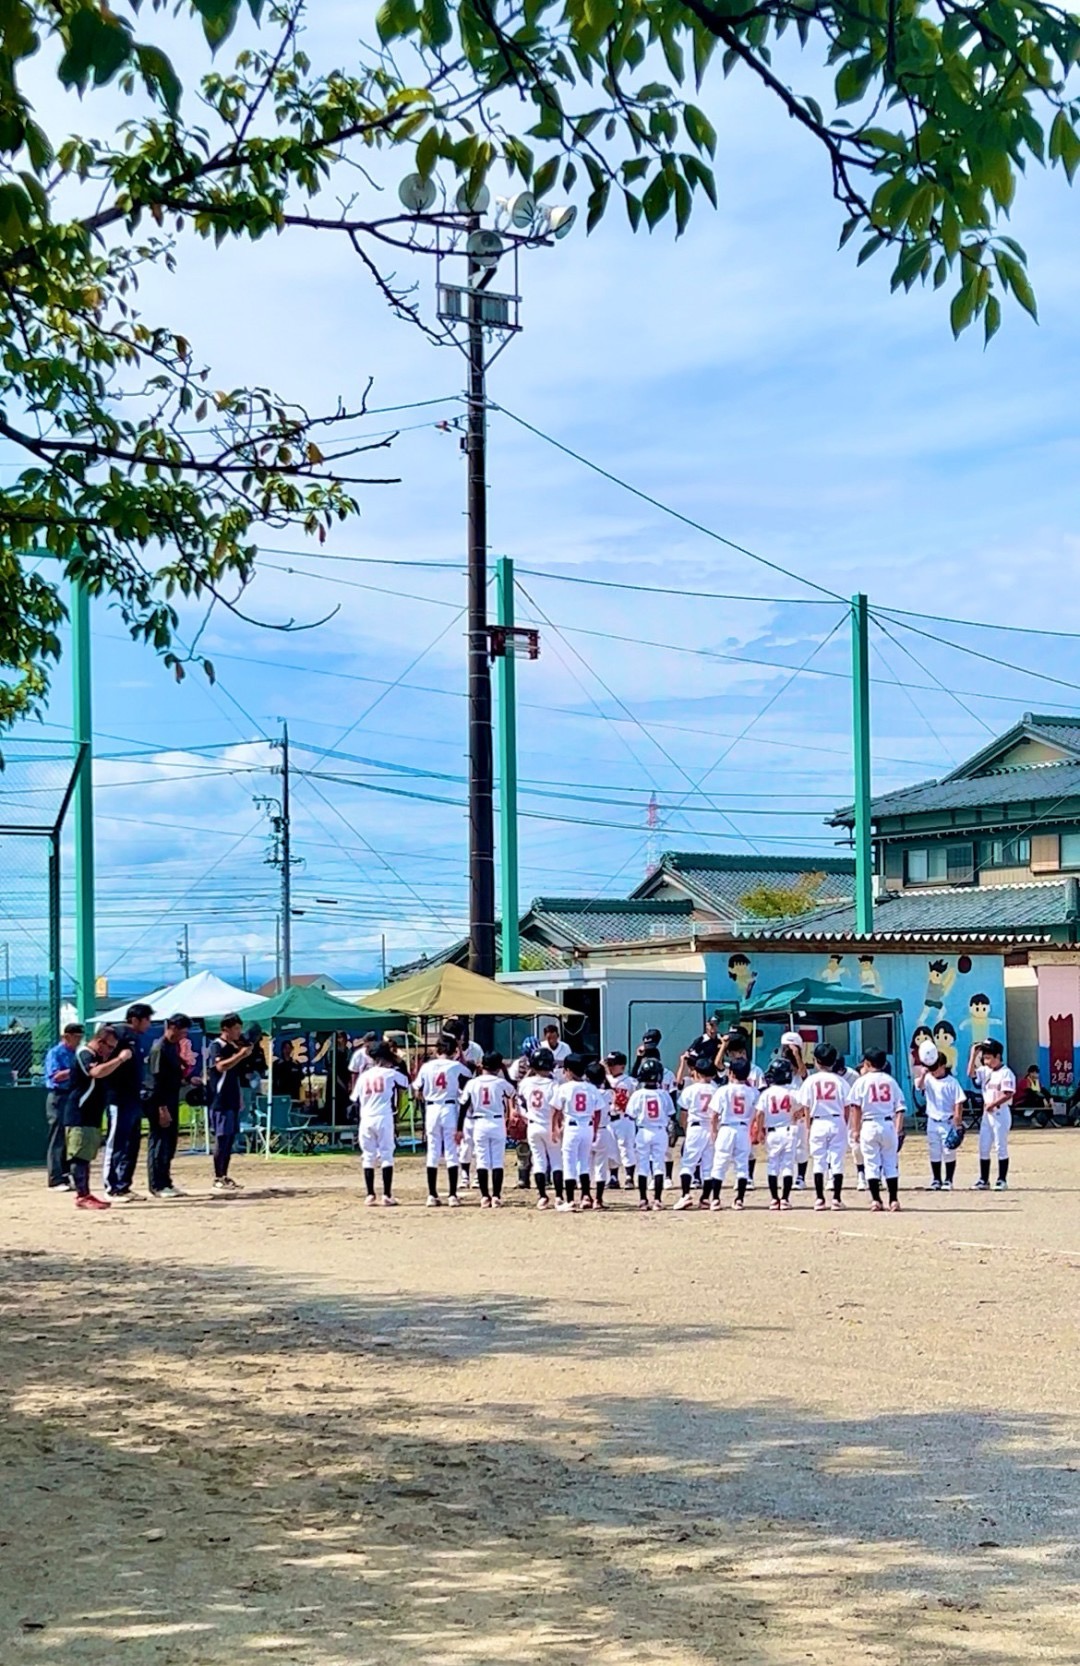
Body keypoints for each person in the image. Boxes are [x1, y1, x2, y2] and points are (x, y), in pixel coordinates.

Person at [65, 1026, 130, 1210]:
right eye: (109, 1047)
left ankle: (85, 1193)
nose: (110, 1052)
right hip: (80, 1113)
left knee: (86, 1155)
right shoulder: (85, 1053)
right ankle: (82, 1195)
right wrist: (119, 1059)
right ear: (100, 1042)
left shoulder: (98, 1057)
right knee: (79, 1155)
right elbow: (95, 1072)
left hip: (92, 1113)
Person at [102, 1001, 154, 1201]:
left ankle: (123, 1185)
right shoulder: (118, 1034)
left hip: (133, 1098)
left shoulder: (137, 1039)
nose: (148, 1024)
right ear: (135, 1019)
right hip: (118, 1098)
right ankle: (111, 1187)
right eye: (146, 1019)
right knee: (116, 1143)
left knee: (131, 1144)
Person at [413, 1035, 471, 1207]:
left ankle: (432, 1194)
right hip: (449, 1107)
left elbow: (417, 1090)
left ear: (437, 1050)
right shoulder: (456, 1066)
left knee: (433, 1150)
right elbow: (468, 1080)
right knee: (452, 1150)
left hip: (432, 1108)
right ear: (454, 1050)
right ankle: (452, 1195)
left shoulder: (426, 1067)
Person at [847, 1048, 906, 1212]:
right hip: (888, 1124)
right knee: (890, 1163)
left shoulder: (862, 1081)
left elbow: (856, 1108)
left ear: (867, 1063)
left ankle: (876, 1200)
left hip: (869, 1124)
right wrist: (898, 1129)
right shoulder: (890, 1081)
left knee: (871, 1163)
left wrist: (855, 1129)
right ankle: (893, 1200)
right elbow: (900, 1108)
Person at [796, 1042, 851, 1212]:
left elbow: (805, 1106)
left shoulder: (811, 1081)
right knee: (836, 1160)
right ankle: (836, 1199)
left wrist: (808, 1126)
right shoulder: (840, 1081)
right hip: (836, 1120)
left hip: (817, 1121)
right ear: (834, 1061)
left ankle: (819, 1199)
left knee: (818, 1161)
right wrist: (845, 1123)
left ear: (816, 1061)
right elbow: (847, 1106)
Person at [354, 1040, 408, 1205]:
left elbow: (354, 1099)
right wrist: (399, 1062)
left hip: (366, 1117)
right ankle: (386, 1194)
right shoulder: (390, 1073)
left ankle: (370, 1194)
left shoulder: (364, 1076)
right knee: (386, 1154)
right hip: (384, 1116)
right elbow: (406, 1082)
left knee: (368, 1156)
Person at [459, 1051, 515, 1208]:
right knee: (497, 1161)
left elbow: (463, 1106)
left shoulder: (473, 1083)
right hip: (497, 1122)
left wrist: (459, 1128)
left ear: (482, 1065)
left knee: (482, 1160)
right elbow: (513, 1090)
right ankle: (496, 1196)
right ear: (498, 1067)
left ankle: (484, 1197)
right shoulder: (499, 1083)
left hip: (479, 1123)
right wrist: (504, 1071)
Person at [207, 1013, 255, 1192]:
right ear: (225, 1028)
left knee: (230, 1139)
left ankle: (224, 1175)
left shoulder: (233, 1046)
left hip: (232, 1097)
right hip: (220, 1099)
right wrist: (241, 1055)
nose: (238, 1032)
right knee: (221, 1137)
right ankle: (218, 1177)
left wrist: (239, 1096)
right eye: (235, 1028)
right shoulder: (217, 1046)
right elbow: (221, 1067)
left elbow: (233, 1075)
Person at [145, 1012, 191, 1199]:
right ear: (172, 1027)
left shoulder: (173, 1047)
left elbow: (174, 1075)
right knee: (159, 1142)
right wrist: (161, 1108)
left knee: (170, 1142)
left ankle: (166, 1181)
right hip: (159, 1102)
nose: (184, 1035)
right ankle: (157, 1184)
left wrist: (187, 1080)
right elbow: (156, 1081)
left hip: (172, 1100)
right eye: (182, 1031)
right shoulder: (159, 1048)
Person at [708, 1055, 760, 1211]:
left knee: (719, 1164)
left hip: (727, 1127)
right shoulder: (753, 1092)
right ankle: (739, 1200)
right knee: (742, 1165)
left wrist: (713, 1131)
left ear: (730, 1073)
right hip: (743, 1129)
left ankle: (716, 1199)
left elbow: (714, 1114)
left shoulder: (723, 1090)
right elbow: (757, 1114)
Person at [551, 1055, 602, 1212]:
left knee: (569, 1162)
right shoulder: (591, 1088)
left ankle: (571, 1200)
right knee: (584, 1162)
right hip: (587, 1125)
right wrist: (595, 1129)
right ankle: (585, 1195)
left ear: (568, 1071)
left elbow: (556, 1110)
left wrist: (554, 1128)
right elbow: (598, 1110)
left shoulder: (564, 1088)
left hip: (572, 1126)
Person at [751, 1055, 800, 1211]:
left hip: (772, 1132)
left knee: (773, 1165)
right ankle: (785, 1199)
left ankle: (774, 1199)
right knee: (787, 1165)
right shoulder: (793, 1092)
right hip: (789, 1130)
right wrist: (797, 1115)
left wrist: (759, 1131)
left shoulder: (767, 1093)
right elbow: (802, 1109)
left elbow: (759, 1114)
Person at [627, 1056, 672, 1211]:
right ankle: (658, 1200)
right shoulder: (664, 1094)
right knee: (658, 1165)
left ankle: (643, 1199)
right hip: (660, 1131)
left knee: (643, 1166)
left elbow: (631, 1114)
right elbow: (670, 1113)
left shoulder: (637, 1094)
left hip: (643, 1131)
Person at [969, 1038, 1015, 1190]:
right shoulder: (985, 1070)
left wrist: (993, 1104)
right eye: (984, 1057)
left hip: (1000, 1113)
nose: (985, 1060)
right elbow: (971, 1075)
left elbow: (1008, 1094)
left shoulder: (1006, 1073)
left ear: (998, 1056)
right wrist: (973, 1055)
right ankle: (983, 1180)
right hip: (987, 1115)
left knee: (1000, 1146)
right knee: (984, 1146)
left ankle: (1002, 1180)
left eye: (988, 1057)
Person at [674, 1057, 718, 1211]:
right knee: (708, 1166)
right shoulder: (716, 1089)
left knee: (688, 1163)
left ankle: (685, 1195)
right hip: (711, 1128)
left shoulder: (690, 1089)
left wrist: (685, 1130)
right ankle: (705, 1198)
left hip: (695, 1127)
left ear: (697, 1073)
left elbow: (684, 1114)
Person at [521, 1046, 563, 1210]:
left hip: (533, 1125)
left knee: (539, 1161)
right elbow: (558, 1107)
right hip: (550, 1125)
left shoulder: (525, 1083)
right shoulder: (554, 1084)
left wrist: (525, 1116)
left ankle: (542, 1197)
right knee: (556, 1161)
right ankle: (559, 1196)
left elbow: (521, 1103)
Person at [44, 1021, 83, 1189]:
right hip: (58, 1097)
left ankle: (66, 1176)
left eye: (80, 1038)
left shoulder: (77, 1053)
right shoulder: (56, 1053)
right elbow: (56, 1076)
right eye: (76, 1037)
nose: (79, 1041)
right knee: (57, 1137)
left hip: (72, 1097)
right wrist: (76, 1069)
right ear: (66, 1037)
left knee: (70, 1137)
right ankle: (55, 1178)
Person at [920, 1050, 966, 1189]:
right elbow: (918, 1087)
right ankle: (936, 1179)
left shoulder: (952, 1082)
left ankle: (948, 1180)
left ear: (943, 1066)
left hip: (947, 1120)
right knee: (934, 1150)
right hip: (932, 1120)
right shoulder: (928, 1078)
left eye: (936, 1068)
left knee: (948, 1151)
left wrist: (957, 1120)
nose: (933, 1071)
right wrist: (923, 1074)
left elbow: (959, 1102)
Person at [586, 1060, 617, 1210]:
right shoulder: (608, 1093)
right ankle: (598, 1199)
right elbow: (613, 1089)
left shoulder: (584, 1091)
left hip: (585, 1130)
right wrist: (606, 1073)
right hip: (602, 1131)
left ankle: (585, 1196)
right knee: (600, 1166)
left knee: (585, 1165)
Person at [605, 1049, 636, 1187]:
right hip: (609, 1120)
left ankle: (629, 1177)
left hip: (624, 1119)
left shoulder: (630, 1081)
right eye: (609, 1064)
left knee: (626, 1147)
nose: (610, 1067)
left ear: (622, 1066)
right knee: (611, 1149)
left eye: (613, 1064)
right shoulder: (605, 1079)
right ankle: (613, 1177)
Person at [275, 1038, 305, 1105]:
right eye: (285, 1048)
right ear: (282, 1050)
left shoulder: (296, 1064)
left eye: (289, 1048)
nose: (287, 1050)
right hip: (281, 1093)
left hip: (294, 1094)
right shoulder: (277, 1064)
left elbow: (301, 1076)